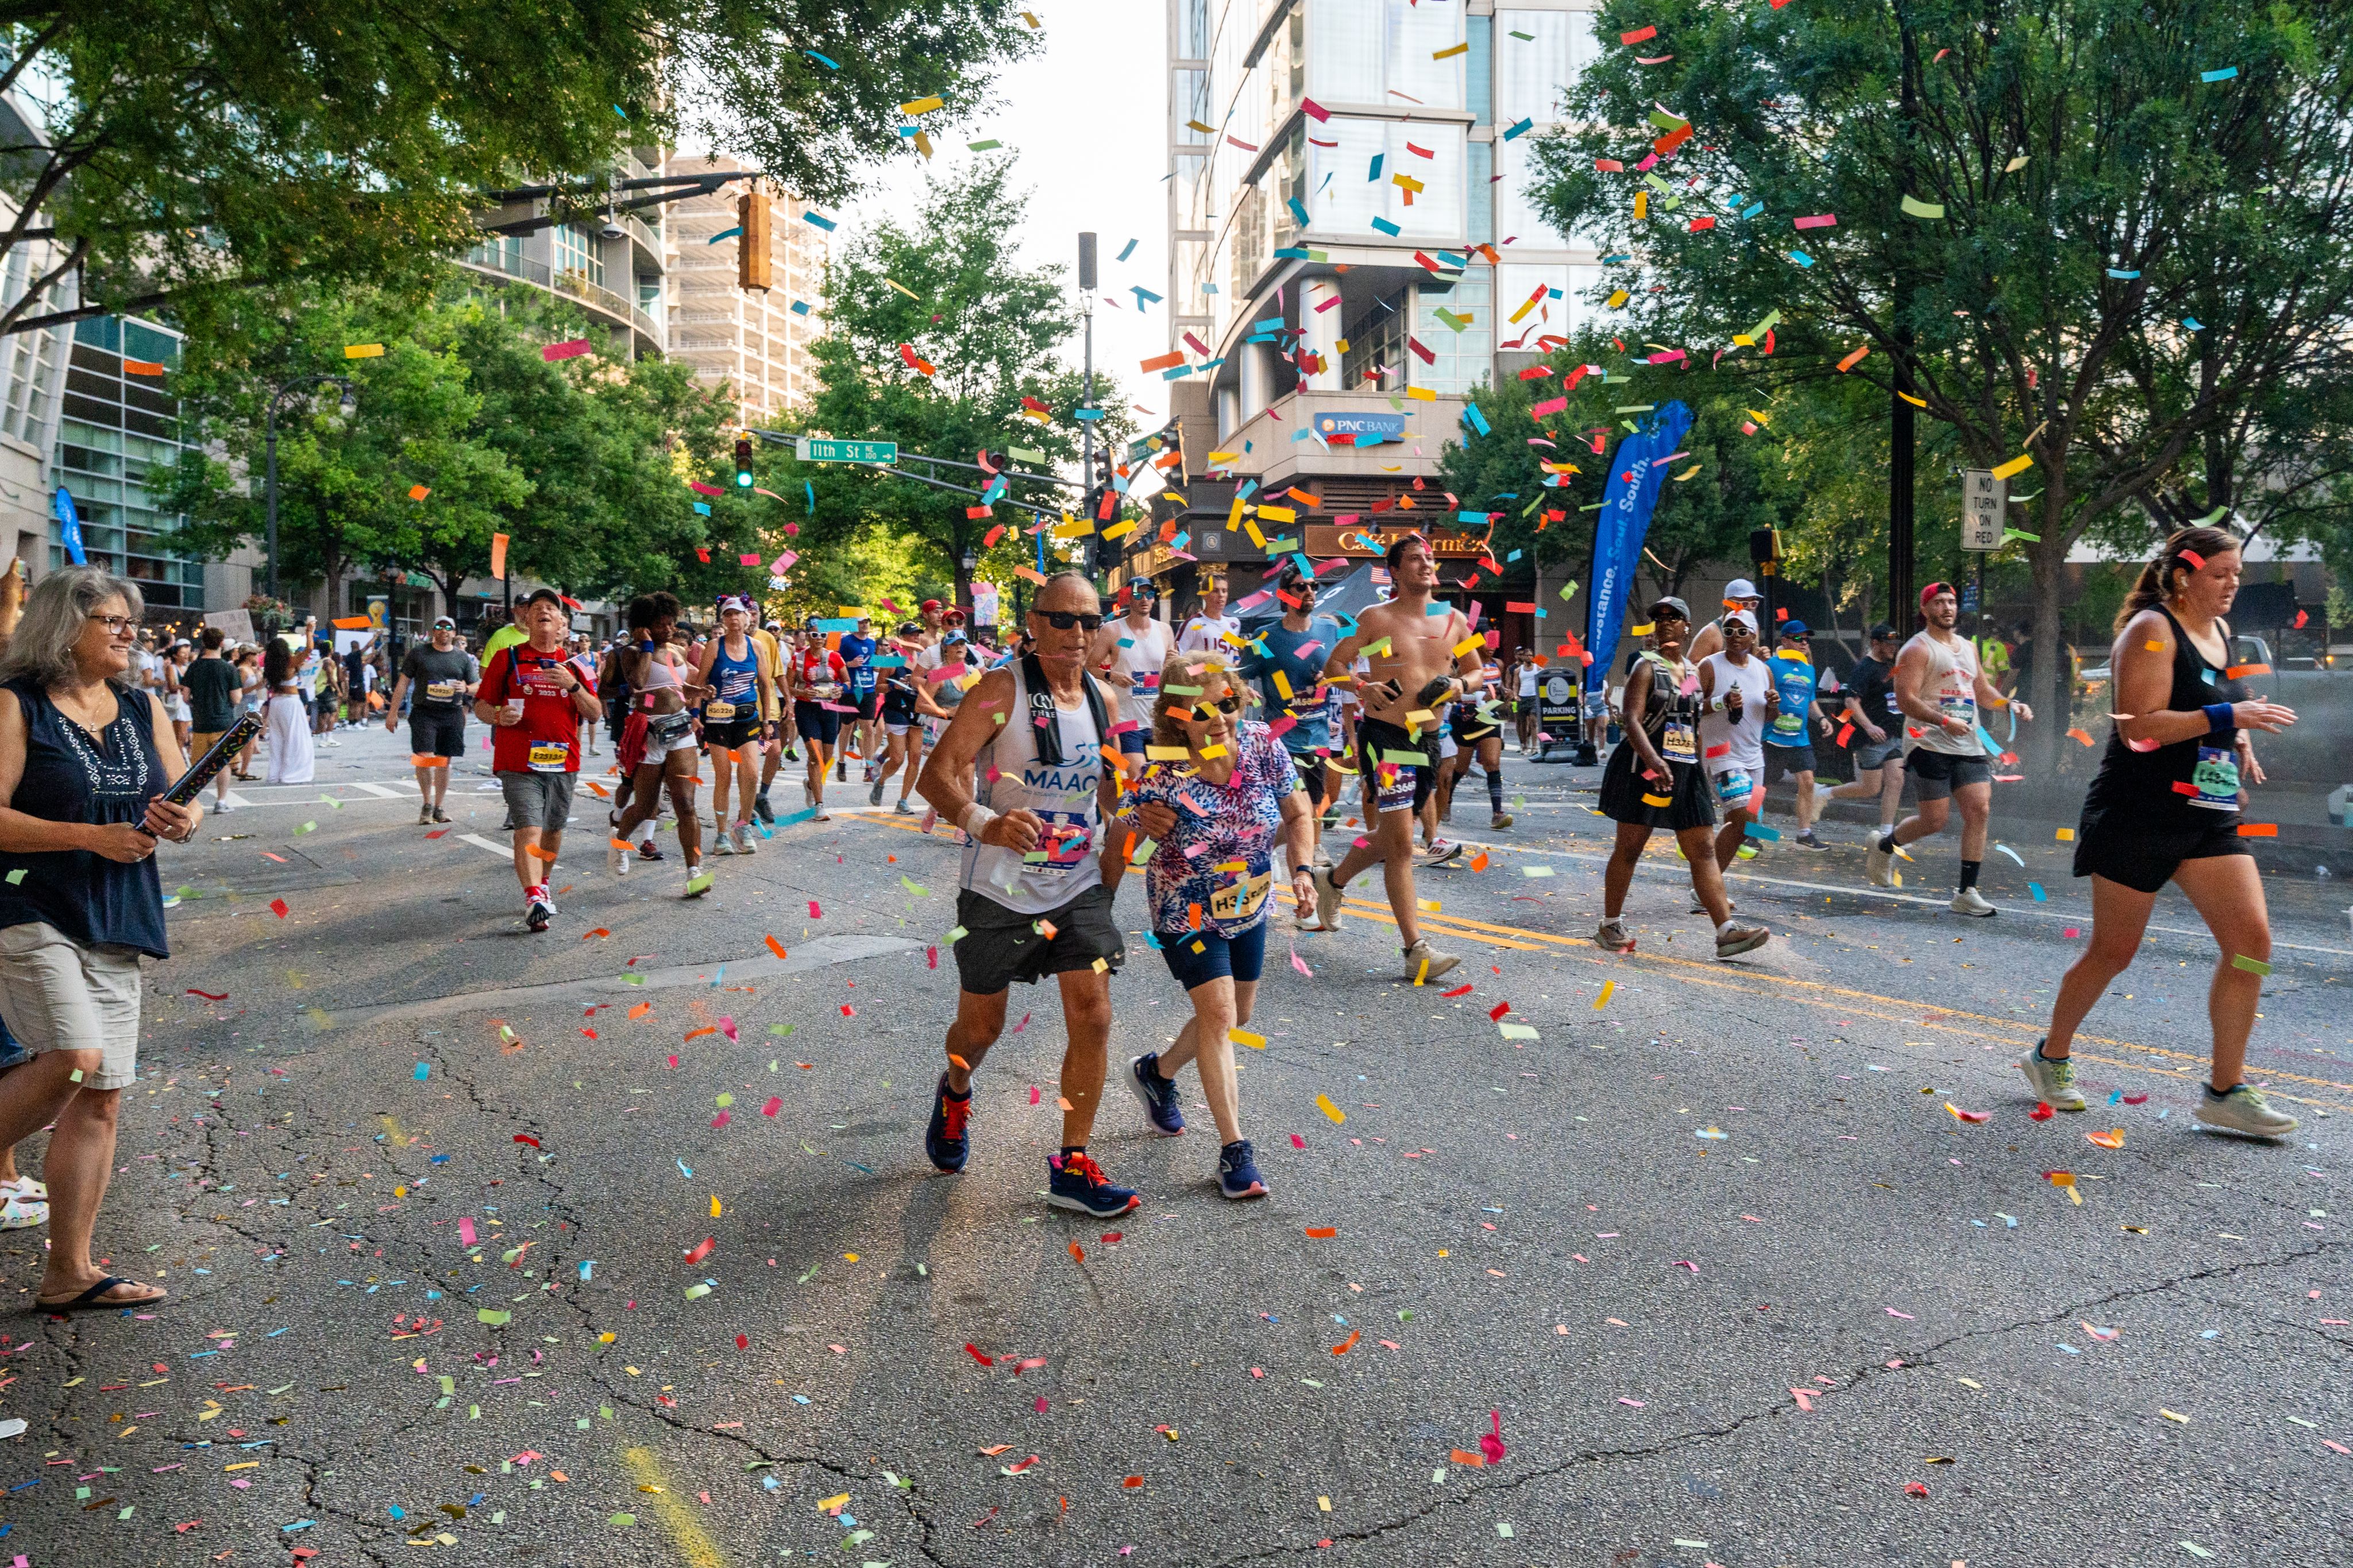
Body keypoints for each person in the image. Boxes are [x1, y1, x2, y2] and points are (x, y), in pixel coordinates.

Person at [2023, 528, 2298, 1136]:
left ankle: (2225, 1091)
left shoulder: (2221, 632)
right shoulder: (2149, 630)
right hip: (2137, 812)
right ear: (2182, 575)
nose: (2231, 586)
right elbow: (2139, 730)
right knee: (2113, 952)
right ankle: (2048, 1057)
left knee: (2251, 945)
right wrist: (2231, 716)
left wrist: (2237, 743)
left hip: (2207, 815)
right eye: (2219, 575)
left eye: (2236, 576)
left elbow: (2220, 695)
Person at [0, 565, 202, 1310]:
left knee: (102, 1097)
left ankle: (70, 1272)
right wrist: (92, 835)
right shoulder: (17, 706)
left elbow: (178, 794)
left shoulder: (140, 705)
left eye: (131, 622)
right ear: (63, 626)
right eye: (112, 621)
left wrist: (184, 819)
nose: (129, 633)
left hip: (120, 915)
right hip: (32, 907)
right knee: (76, 1059)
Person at [915, 572, 1137, 1216]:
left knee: (1093, 1013)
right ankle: (957, 1089)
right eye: (1062, 620)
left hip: (1075, 886)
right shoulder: (999, 690)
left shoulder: (1104, 700)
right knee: (981, 1030)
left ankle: (1073, 1163)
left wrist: (1133, 834)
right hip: (999, 888)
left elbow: (1115, 796)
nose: (1077, 634)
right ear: (1033, 624)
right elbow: (936, 778)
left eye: (1089, 622)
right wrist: (989, 823)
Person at [1116, 652, 1317, 1199]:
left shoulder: (1262, 745)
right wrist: (1140, 827)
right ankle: (1235, 1151)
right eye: (1203, 711)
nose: (1220, 718)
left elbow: (1299, 814)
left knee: (1234, 1014)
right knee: (1221, 1012)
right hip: (1185, 906)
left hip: (1249, 901)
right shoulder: (1161, 772)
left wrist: (1301, 870)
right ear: (1177, 716)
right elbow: (1121, 838)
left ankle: (1156, 1073)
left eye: (1227, 703)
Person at [1309, 535, 1480, 982]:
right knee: (1402, 844)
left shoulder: (1453, 620)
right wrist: (1361, 687)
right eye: (1414, 560)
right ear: (1397, 572)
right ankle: (1415, 949)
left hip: (1427, 739)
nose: (1426, 564)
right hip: (1384, 736)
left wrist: (1460, 686)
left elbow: (1479, 670)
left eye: (1429, 558)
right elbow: (1333, 668)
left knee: (1390, 835)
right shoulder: (1376, 619)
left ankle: (1333, 881)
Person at [1593, 597, 1771, 959]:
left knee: (1704, 850)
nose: (1666, 624)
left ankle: (1726, 932)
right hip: (1644, 769)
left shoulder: (1691, 671)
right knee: (1630, 848)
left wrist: (1703, 760)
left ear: (1687, 627)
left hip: (1685, 767)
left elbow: (1689, 715)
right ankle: (1610, 923)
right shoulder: (1646, 667)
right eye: (1659, 620)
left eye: (1674, 619)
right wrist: (1653, 760)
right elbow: (1631, 719)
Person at [1866, 583, 2032, 915]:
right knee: (1935, 820)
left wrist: (2009, 705)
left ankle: (1967, 892)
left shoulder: (1969, 648)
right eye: (1939, 602)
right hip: (1928, 742)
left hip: (1968, 743)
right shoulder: (1916, 649)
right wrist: (1943, 721)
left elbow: (1983, 692)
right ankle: (1885, 846)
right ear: (1925, 610)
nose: (1947, 608)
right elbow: (1905, 699)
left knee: (1979, 810)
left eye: (1952, 602)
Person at [475, 590, 600, 930]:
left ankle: (543, 885)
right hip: (518, 760)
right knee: (528, 827)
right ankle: (533, 896)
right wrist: (500, 715)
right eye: (537, 608)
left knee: (553, 831)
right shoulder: (508, 658)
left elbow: (595, 713)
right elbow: (481, 706)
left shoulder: (577, 665)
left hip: (563, 759)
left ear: (562, 624)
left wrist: (574, 686)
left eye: (552, 609)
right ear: (526, 620)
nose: (544, 611)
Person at [1236, 562, 1340, 889]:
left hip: (1318, 733)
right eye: (1301, 586)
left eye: (1314, 586)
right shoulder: (1266, 635)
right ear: (1285, 594)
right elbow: (1240, 675)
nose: (1310, 592)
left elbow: (1342, 672)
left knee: (1311, 811)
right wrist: (1246, 691)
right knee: (1302, 811)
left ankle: (1261, 845)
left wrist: (1332, 678)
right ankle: (1307, 888)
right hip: (1281, 737)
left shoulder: (1327, 630)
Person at [609, 592, 708, 894]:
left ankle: (695, 872)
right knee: (645, 805)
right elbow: (639, 684)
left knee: (686, 803)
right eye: (660, 625)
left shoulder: (676, 650)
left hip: (680, 731)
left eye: (669, 623)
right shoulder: (632, 652)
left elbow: (677, 686)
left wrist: (701, 691)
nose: (668, 629)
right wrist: (647, 646)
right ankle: (619, 843)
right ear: (645, 625)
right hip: (649, 734)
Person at [1696, 610, 1772, 903]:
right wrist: (1720, 702)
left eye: (1743, 632)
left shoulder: (1763, 671)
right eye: (1729, 631)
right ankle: (1706, 889)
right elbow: (1684, 702)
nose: (1736, 637)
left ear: (1754, 636)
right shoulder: (1708, 666)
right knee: (1745, 819)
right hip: (1720, 754)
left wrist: (1774, 704)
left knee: (1743, 828)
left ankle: (1706, 891)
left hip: (1756, 759)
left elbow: (1768, 718)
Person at [693, 596, 777, 856]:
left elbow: (764, 684)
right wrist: (696, 712)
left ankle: (742, 826)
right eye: (728, 615)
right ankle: (721, 834)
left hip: (747, 716)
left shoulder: (756, 646)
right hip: (717, 717)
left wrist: (766, 721)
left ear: (747, 617)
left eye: (737, 614)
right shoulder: (714, 646)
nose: (733, 620)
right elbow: (700, 681)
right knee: (724, 776)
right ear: (723, 619)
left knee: (751, 773)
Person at [387, 615, 478, 825]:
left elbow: (476, 686)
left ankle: (439, 806)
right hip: (424, 712)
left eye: (448, 628)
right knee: (425, 757)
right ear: (433, 631)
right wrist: (392, 712)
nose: (444, 630)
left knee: (444, 761)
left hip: (452, 713)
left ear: (454, 633)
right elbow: (402, 684)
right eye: (439, 627)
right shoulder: (419, 653)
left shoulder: (462, 658)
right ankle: (427, 804)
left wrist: (466, 688)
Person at [1827, 624, 1907, 837]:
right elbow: (1851, 700)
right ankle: (1825, 794)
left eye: (1895, 644)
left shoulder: (1891, 666)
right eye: (1888, 644)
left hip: (1893, 735)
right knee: (1870, 788)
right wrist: (1869, 727)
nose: (1893, 648)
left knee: (1896, 781)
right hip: (1870, 738)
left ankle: (1886, 833)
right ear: (1875, 643)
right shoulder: (1865, 668)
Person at [1761, 621, 1833, 850]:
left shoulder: (1809, 669)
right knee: (1760, 788)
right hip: (1772, 737)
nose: (1804, 644)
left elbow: (1810, 701)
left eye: (1807, 640)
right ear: (1784, 641)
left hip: (1799, 738)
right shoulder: (1770, 666)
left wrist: (1821, 719)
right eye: (1798, 639)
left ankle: (1804, 834)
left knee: (1808, 782)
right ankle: (1749, 832)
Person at [1089, 579, 1173, 768]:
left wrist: (1174, 664)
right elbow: (1089, 667)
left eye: (1149, 595)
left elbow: (1169, 675)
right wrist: (1112, 676)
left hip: (1157, 722)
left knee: (1159, 782)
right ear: (1128, 598)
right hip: (1126, 722)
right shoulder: (1113, 631)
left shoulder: (1165, 631)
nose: (1144, 599)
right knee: (1139, 779)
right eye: (1138, 594)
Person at [1437, 651, 1512, 831]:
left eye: (1495, 642)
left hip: (1489, 718)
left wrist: (1503, 694)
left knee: (1492, 763)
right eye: (1488, 641)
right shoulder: (1460, 664)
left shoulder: (1498, 664)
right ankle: (1446, 800)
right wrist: (1478, 695)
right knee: (1461, 768)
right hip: (1465, 720)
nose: (1493, 647)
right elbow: (1451, 693)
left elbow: (1498, 690)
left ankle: (1497, 813)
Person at [785, 625, 850, 821]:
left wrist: (841, 689)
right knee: (816, 757)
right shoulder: (798, 659)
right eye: (815, 635)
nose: (819, 638)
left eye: (823, 635)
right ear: (808, 636)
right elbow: (788, 687)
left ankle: (811, 784)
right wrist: (802, 692)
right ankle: (820, 805)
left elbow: (847, 683)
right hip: (807, 710)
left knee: (826, 758)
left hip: (830, 710)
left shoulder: (836, 658)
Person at [180, 627, 244, 817]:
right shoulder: (229, 669)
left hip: (200, 723)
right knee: (223, 763)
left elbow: (185, 696)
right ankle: (221, 801)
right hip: (224, 723)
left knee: (198, 766)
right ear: (221, 644)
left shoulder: (194, 667)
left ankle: (190, 803)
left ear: (204, 643)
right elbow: (237, 699)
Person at [869, 622, 929, 813]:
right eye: (912, 635)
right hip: (896, 709)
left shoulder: (924, 660)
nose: (916, 638)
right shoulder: (891, 659)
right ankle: (881, 780)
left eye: (918, 635)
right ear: (902, 639)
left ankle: (902, 801)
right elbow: (878, 688)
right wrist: (895, 686)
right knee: (897, 758)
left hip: (917, 709)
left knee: (916, 758)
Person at [262, 639, 315, 784]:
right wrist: (310, 632)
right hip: (290, 702)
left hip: (275, 703)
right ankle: (292, 773)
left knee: (277, 740)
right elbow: (309, 649)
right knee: (296, 739)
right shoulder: (290, 662)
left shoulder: (270, 666)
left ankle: (275, 774)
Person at [839, 615, 882, 786]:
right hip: (850, 690)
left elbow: (874, 664)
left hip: (868, 690)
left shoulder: (872, 643)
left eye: (867, 622)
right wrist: (849, 664)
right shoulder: (846, 641)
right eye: (861, 622)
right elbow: (836, 662)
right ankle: (841, 762)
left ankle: (869, 768)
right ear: (855, 624)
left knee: (868, 730)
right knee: (847, 727)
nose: (865, 625)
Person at [1687, 577, 1765, 665]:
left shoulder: (1754, 627)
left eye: (1753, 604)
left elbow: (1751, 662)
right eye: (1744, 604)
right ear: (1727, 604)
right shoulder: (1711, 632)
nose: (1749, 608)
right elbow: (1690, 668)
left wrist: (1759, 659)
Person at [1177, 574, 1237, 655]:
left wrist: (1237, 659)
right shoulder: (1192, 624)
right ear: (1204, 595)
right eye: (1215, 591)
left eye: (1224, 591)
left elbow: (1234, 651)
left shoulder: (1233, 623)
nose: (1221, 595)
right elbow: (1178, 658)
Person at [1513, 647, 1541, 754]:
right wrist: (1515, 695)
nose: (1529, 657)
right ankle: (1524, 745)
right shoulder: (1518, 670)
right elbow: (1516, 684)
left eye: (1531, 655)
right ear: (1524, 657)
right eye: (1527, 655)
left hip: (1534, 697)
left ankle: (1535, 746)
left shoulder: (1537, 668)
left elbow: (1543, 678)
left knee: (1534, 722)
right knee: (1523, 723)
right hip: (1522, 697)